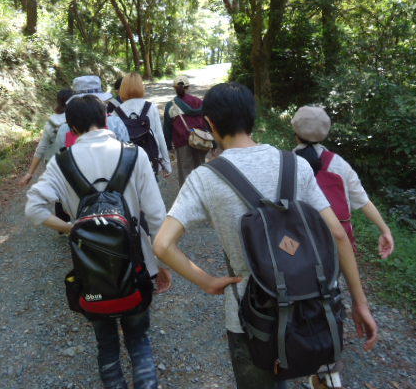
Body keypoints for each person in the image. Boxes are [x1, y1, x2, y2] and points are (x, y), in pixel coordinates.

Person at [153, 82, 378, 389]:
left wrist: (207, 281)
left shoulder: (204, 178)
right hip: (311, 303)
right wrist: (360, 303)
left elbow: (162, 244)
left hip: (251, 318)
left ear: (210, 123)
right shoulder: (296, 164)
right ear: (252, 118)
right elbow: (338, 234)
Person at [25, 95, 171, 389]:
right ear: (106, 120)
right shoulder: (135, 155)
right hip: (137, 263)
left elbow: (34, 209)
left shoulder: (61, 162)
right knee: (138, 337)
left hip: (90, 268)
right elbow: (157, 217)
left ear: (72, 128)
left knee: (106, 342)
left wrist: (72, 228)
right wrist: (162, 264)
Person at [291, 106, 394, 389]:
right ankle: (328, 364)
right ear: (326, 132)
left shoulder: (287, 163)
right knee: (330, 293)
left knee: (302, 294)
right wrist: (384, 229)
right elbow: (362, 200)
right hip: (335, 247)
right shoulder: (339, 165)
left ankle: (299, 343)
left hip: (299, 245)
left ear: (295, 131)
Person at [50, 75, 130, 155]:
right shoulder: (115, 122)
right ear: (101, 101)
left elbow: (59, 155)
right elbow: (127, 151)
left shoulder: (65, 127)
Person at [111, 72, 171, 176]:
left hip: (128, 164)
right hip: (152, 160)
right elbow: (160, 135)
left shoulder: (116, 113)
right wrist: (167, 163)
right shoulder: (151, 107)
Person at [19, 88, 74, 187]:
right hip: (76, 165)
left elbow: (42, 147)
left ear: (58, 102)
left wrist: (30, 173)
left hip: (56, 166)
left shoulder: (52, 122)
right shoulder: (79, 118)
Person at [163, 75, 208, 186]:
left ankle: (187, 195)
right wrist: (213, 142)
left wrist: (169, 147)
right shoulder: (198, 102)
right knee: (201, 170)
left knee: (185, 174)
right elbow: (207, 121)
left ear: (175, 88)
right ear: (188, 87)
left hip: (182, 143)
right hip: (200, 141)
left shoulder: (170, 106)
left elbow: (167, 128)